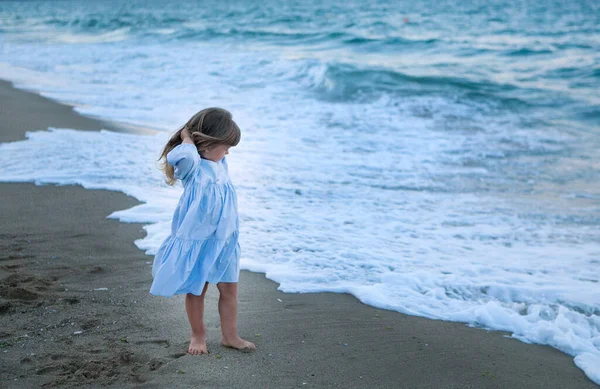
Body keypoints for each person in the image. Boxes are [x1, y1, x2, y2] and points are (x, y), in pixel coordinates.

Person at [150, 107, 255, 354]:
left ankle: (231, 336)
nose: (228, 151)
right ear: (205, 145)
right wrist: (188, 137)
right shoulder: (192, 167)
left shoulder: (221, 164)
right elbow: (184, 155)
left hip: (225, 240)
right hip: (199, 240)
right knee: (197, 288)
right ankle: (198, 335)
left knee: (230, 289)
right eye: (226, 146)